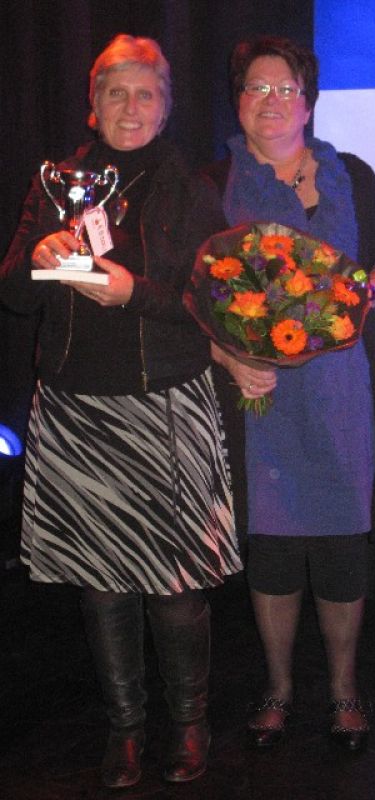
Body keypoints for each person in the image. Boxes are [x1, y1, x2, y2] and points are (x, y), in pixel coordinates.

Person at [0, 34, 242, 788]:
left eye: (145, 94)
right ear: (93, 104)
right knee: (102, 583)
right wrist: (40, 257)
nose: (130, 108)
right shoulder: (58, 183)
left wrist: (134, 293)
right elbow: (12, 293)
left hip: (165, 405)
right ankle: (126, 728)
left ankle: (190, 721)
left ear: (165, 107)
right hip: (76, 410)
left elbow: (211, 305)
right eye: (115, 93)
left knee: (176, 585)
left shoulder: (191, 190)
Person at [198, 35, 375, 752]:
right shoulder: (213, 183)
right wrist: (230, 359)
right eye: (256, 87)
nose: (272, 100)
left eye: (286, 88)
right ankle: (279, 687)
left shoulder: (352, 174)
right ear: (238, 101)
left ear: (309, 102)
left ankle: (345, 688)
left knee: (343, 546)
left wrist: (363, 292)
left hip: (344, 392)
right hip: (259, 396)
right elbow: (189, 298)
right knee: (273, 548)